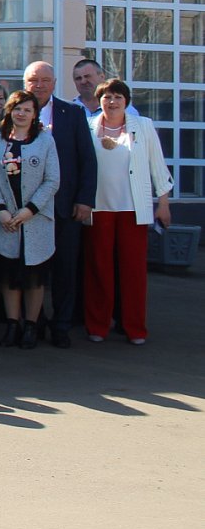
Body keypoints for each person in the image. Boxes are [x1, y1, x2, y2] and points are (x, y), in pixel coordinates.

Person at [85, 78, 171, 345]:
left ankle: (135, 328)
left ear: (126, 101)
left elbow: (158, 166)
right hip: (98, 208)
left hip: (133, 209)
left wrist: (163, 204)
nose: (112, 102)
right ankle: (97, 325)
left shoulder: (143, 126)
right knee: (98, 269)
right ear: (99, 101)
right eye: (107, 97)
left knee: (133, 271)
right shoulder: (87, 126)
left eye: (117, 97)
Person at [22, 61, 98, 348]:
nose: (39, 85)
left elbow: (87, 160)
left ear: (54, 83)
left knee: (66, 269)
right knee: (33, 270)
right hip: (28, 209)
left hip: (65, 206)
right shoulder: (17, 112)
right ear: (25, 83)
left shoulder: (73, 113)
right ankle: (35, 322)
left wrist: (84, 200)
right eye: (33, 80)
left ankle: (62, 325)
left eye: (45, 80)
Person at [0, 90, 61, 349]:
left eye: (27, 110)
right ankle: (12, 324)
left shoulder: (45, 141)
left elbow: (52, 180)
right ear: (10, 111)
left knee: (34, 278)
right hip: (5, 220)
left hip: (35, 219)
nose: (21, 113)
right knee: (9, 278)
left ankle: (31, 326)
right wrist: (0, 210)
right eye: (18, 108)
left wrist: (30, 209)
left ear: (35, 114)